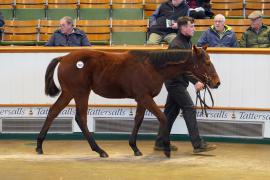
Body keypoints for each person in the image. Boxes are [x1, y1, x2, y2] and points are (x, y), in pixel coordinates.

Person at [154, 16, 217, 153]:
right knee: (189, 108)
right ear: (183, 28)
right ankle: (198, 144)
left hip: (176, 82)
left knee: (170, 113)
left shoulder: (187, 43)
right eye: (191, 26)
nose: (194, 29)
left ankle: (160, 142)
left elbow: (188, 66)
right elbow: (182, 69)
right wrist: (196, 81)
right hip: (174, 83)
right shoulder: (177, 45)